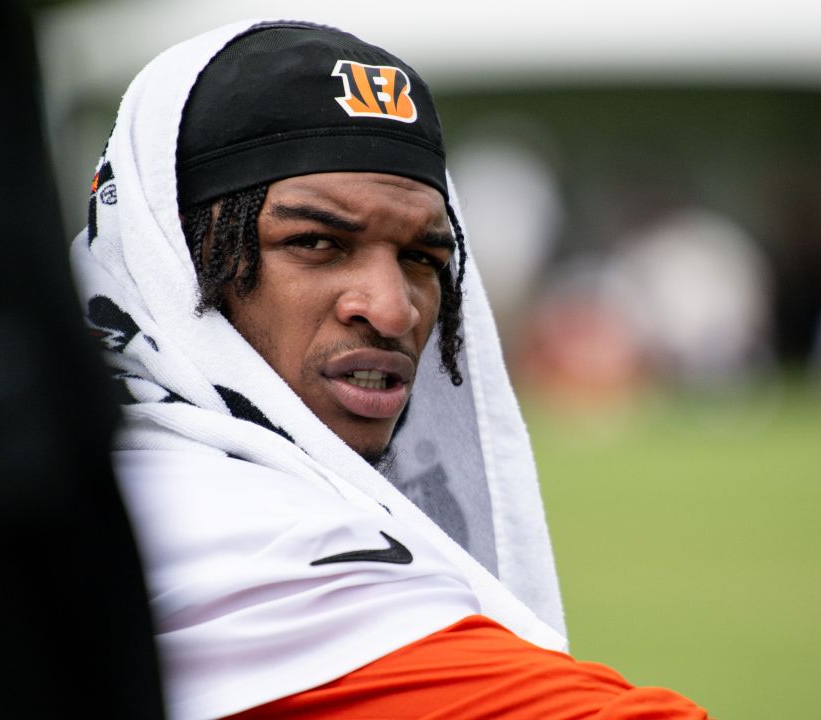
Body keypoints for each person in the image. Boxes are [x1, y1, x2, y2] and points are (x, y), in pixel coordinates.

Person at [70, 19, 710, 719]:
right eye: (315, 241)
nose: (393, 309)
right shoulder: (211, 522)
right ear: (170, 259)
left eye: (423, 258)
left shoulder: (81, 465)